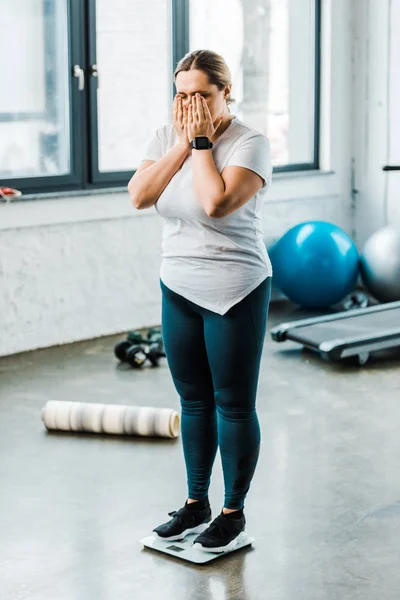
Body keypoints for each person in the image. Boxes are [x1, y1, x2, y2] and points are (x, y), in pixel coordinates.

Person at [128, 49, 273, 553]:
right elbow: (140, 195)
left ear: (225, 93)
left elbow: (215, 204)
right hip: (179, 283)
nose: (190, 104)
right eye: (182, 94)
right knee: (192, 401)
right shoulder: (167, 136)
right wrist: (182, 144)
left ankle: (232, 512)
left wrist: (203, 142)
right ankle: (196, 504)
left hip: (236, 287)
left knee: (232, 405)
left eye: (201, 95)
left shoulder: (250, 143)